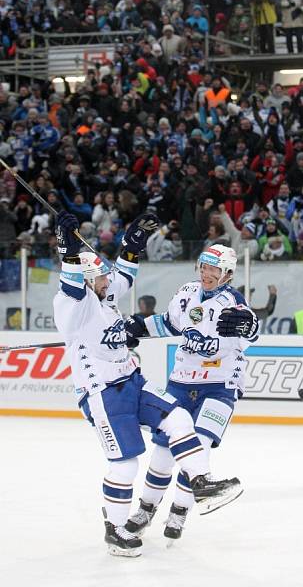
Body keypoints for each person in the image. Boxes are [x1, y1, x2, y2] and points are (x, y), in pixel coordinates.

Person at [53, 213, 238, 558]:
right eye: (102, 279)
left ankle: (200, 482)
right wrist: (68, 249)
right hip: (102, 394)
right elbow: (71, 281)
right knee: (126, 465)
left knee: (179, 417)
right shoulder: (71, 304)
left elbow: (123, 276)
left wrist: (132, 245)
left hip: (132, 382)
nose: (111, 283)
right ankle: (115, 530)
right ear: (88, 280)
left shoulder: (104, 294)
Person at [125, 244, 259, 541]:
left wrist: (248, 326)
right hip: (181, 382)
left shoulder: (234, 303)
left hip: (221, 385)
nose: (206, 274)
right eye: (204, 267)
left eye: (214, 269)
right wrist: (138, 327)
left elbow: (251, 330)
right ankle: (146, 509)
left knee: (197, 448)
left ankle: (179, 512)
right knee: (162, 454)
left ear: (227, 273)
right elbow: (169, 324)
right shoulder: (186, 292)